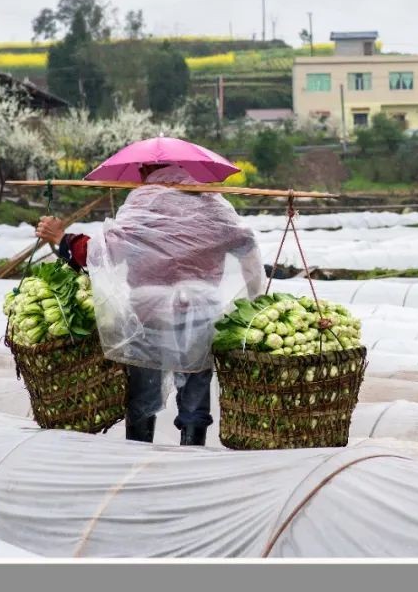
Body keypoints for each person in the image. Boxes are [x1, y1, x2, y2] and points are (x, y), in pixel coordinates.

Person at [35, 162, 265, 446]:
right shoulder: (212, 204)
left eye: (142, 169)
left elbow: (104, 252)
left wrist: (62, 238)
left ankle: (138, 454)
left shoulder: (143, 202)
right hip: (199, 313)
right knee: (194, 391)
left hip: (148, 314)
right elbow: (247, 247)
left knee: (144, 394)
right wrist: (257, 301)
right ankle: (192, 454)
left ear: (149, 169)